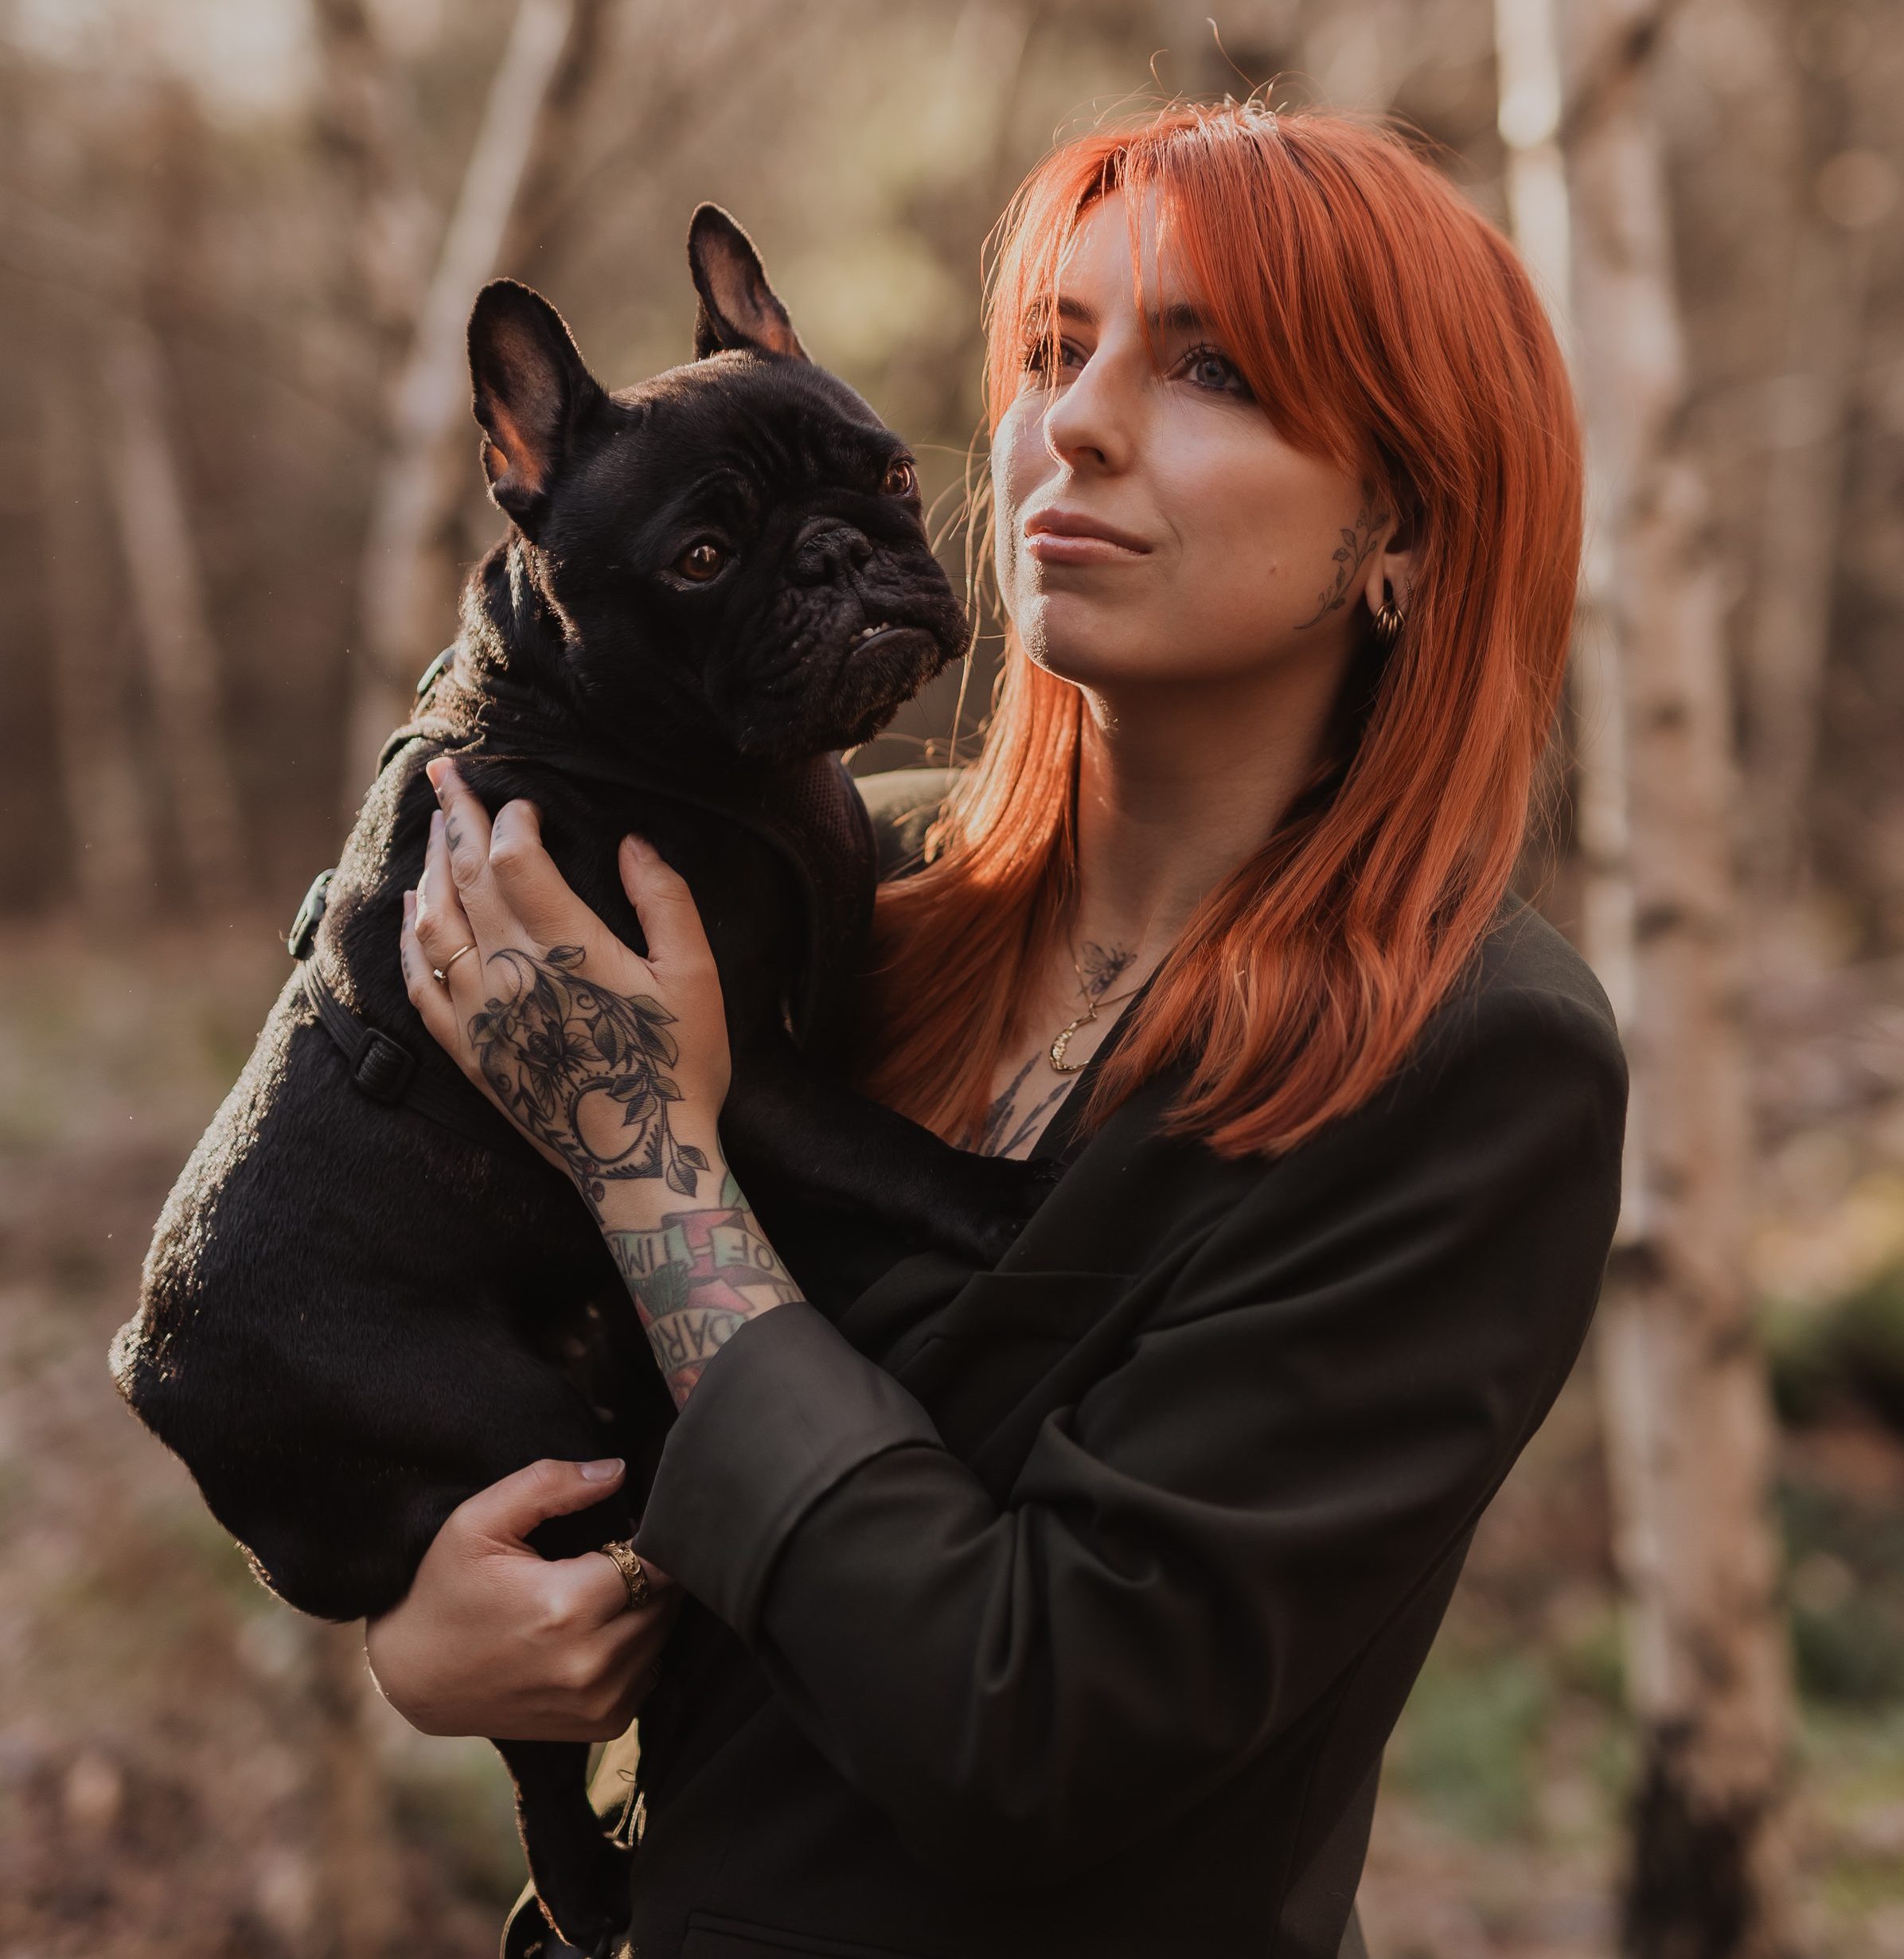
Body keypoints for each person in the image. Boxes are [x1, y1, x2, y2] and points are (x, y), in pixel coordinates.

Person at [368, 99, 1627, 1959]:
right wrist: (433, 1628)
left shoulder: (1476, 1061)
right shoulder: (827, 897)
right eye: (1052, 348)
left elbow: (1031, 1726)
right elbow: (529, 1375)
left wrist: (654, 1168)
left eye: (1208, 367)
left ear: (1403, 531)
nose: (1073, 424)